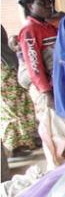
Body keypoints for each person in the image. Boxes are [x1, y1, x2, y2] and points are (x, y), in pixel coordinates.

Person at [17, 0, 65, 168]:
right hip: (47, 91)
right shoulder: (30, 30)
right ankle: (60, 170)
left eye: (49, 1)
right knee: (55, 133)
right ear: (30, 6)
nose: (48, 5)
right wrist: (46, 92)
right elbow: (34, 65)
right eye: (42, 2)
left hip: (59, 87)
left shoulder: (48, 26)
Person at [1, 26, 38, 157]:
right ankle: (15, 147)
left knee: (23, 106)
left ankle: (26, 142)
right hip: (4, 76)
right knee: (11, 112)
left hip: (11, 69)